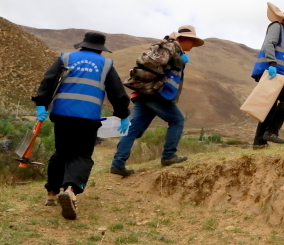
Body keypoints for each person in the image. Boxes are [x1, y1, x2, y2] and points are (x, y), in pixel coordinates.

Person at [32, 31, 131, 220]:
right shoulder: (106, 64)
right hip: (88, 117)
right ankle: (70, 189)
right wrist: (123, 114)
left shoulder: (66, 58)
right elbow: (116, 91)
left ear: (83, 45)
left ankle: (52, 193)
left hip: (62, 114)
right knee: (82, 155)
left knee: (61, 153)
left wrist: (41, 104)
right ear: (101, 49)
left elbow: (49, 80)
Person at [110, 25, 205, 175]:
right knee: (177, 119)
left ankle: (117, 164)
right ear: (184, 39)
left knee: (133, 130)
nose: (193, 45)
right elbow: (159, 64)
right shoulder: (171, 47)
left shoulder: (169, 48)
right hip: (155, 93)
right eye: (192, 41)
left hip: (144, 92)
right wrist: (178, 60)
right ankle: (168, 156)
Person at [250, 3, 284, 148]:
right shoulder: (276, 27)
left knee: (269, 106)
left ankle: (259, 142)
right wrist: (272, 64)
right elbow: (269, 44)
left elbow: (283, 60)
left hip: (274, 71)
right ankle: (271, 132)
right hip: (270, 71)